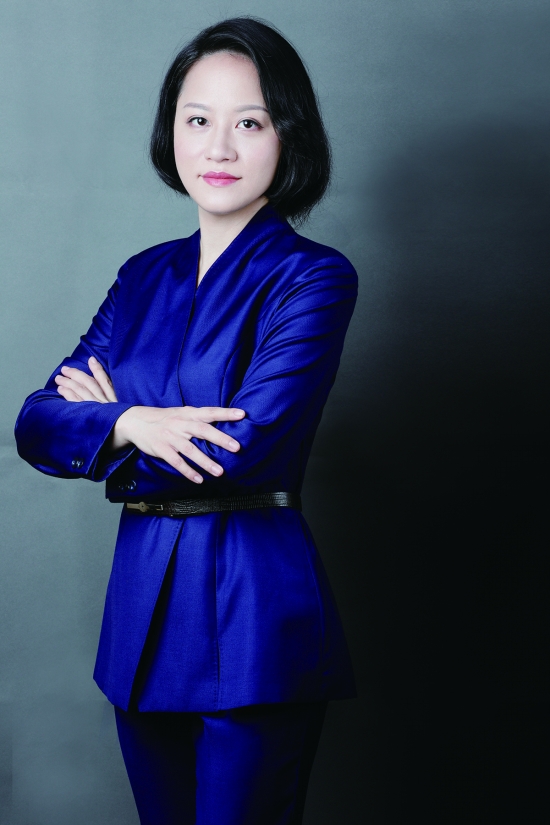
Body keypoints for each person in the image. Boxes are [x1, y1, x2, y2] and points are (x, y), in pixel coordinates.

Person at [15, 16, 358, 825]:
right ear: (171, 132)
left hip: (253, 611)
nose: (219, 147)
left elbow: (235, 450)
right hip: (141, 612)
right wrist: (134, 421)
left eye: (251, 123)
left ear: (289, 135)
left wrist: (101, 419)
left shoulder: (312, 278)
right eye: (197, 119)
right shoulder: (141, 277)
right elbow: (35, 423)